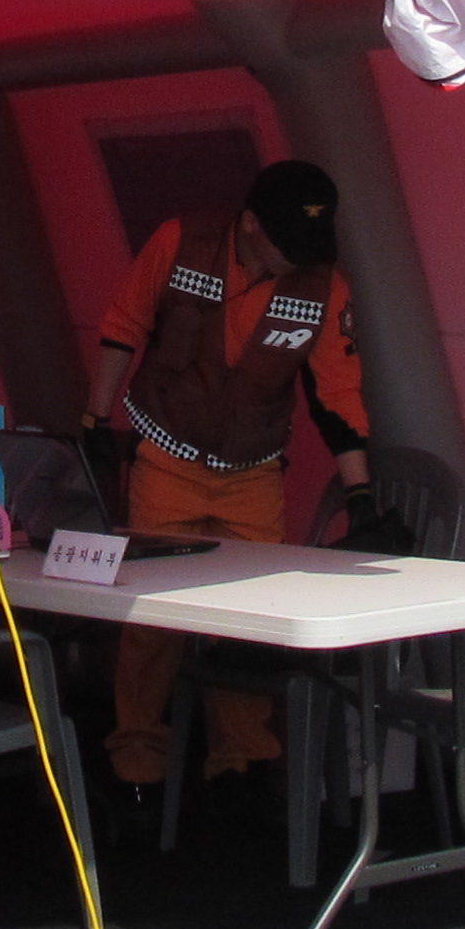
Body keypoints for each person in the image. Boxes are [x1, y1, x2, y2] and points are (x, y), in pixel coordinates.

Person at [84, 158, 387, 794]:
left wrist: (360, 493)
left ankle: (241, 764)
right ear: (250, 224)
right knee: (150, 614)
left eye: (310, 244)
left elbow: (337, 395)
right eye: (286, 242)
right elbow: (122, 327)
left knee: (251, 618)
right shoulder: (178, 242)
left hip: (252, 471)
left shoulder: (325, 289)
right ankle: (136, 760)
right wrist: (95, 420)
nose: (296, 257)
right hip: (165, 456)